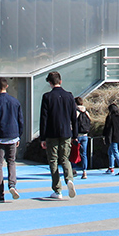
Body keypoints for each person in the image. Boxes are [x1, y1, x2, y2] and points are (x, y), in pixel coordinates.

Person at [39, 71, 77, 199]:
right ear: (60, 81)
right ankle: (69, 179)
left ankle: (57, 190)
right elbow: (74, 118)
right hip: (66, 132)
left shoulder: (47, 97)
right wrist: (75, 135)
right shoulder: (69, 96)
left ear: (49, 82)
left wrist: (42, 137)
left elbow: (43, 118)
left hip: (51, 133)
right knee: (65, 158)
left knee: (53, 161)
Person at [0, 77, 23, 202]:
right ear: (6, 86)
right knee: (11, 162)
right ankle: (12, 185)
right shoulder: (15, 102)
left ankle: (0, 193)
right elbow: (20, 120)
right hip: (13, 135)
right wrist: (19, 135)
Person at [103, 103, 119, 175]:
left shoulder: (110, 117)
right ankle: (111, 167)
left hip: (112, 137)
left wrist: (104, 136)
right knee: (110, 152)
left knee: (115, 152)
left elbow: (106, 128)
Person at [74, 97, 92, 180]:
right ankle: (84, 171)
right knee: (84, 154)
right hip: (85, 135)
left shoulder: (75, 112)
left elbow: (72, 124)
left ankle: (73, 170)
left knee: (74, 153)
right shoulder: (86, 112)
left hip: (77, 135)